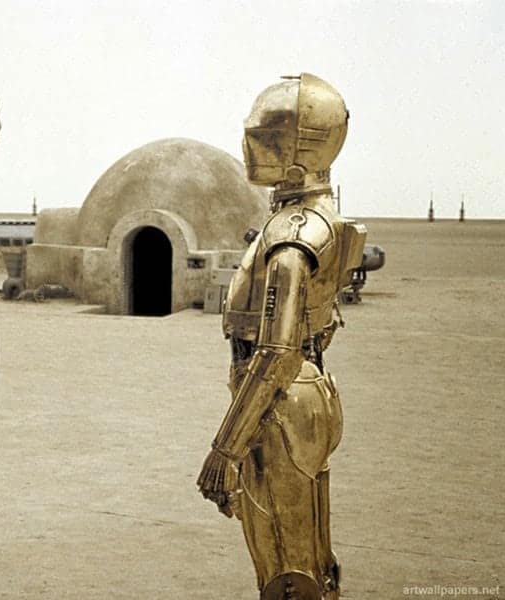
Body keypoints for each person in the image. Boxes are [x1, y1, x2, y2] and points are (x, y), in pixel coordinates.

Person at [197, 74, 366, 599]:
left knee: (285, 566)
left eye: (266, 136)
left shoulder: (293, 234)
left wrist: (225, 449)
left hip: (279, 405)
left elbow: (275, 350)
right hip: (306, 395)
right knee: (308, 550)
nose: (249, 145)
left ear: (300, 149)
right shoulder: (321, 219)